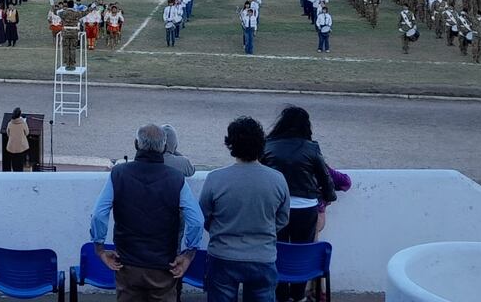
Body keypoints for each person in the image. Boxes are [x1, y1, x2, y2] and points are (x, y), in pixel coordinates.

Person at [89, 124, 204, 302]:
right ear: (164, 147)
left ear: (136, 144)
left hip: (127, 263)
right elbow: (196, 221)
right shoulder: (176, 178)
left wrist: (100, 248)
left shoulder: (118, 174)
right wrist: (188, 254)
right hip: (164, 265)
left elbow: (98, 214)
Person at [199, 117, 290, 302]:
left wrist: (221, 231)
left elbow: (205, 216)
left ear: (231, 145)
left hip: (223, 255)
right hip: (263, 256)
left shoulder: (215, 179)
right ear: (261, 145)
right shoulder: (278, 179)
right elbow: (282, 218)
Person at [261, 106, 336, 302]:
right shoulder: (311, 147)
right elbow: (324, 176)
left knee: (277, 250)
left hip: (276, 207)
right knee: (301, 252)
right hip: (306, 208)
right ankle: (298, 295)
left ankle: (280, 295)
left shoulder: (268, 145)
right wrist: (329, 196)